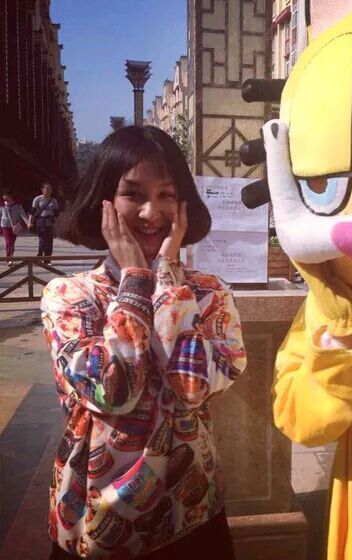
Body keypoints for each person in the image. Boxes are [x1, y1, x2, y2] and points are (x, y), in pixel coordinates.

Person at [41, 126, 247, 559]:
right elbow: (111, 392)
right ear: (104, 201)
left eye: (166, 194)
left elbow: (192, 387)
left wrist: (167, 278)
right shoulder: (70, 295)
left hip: (191, 510)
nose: (152, 212)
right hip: (95, 518)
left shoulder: (210, 294)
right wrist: (136, 282)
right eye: (132, 194)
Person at [30, 182, 59, 260]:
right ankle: (39, 256)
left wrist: (57, 226)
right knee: (42, 240)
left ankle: (47, 259)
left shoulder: (54, 201)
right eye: (47, 189)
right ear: (42, 190)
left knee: (49, 241)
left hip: (50, 222)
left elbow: (56, 214)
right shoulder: (37, 199)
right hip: (41, 222)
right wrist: (30, 222)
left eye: (50, 189)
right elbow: (32, 212)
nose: (49, 190)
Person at [0, 191, 28, 264]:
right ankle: (8, 258)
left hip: (15, 227)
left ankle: (11, 257)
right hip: (5, 226)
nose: (4, 197)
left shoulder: (17, 205)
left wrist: (27, 222)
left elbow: (23, 214)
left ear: (10, 196)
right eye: (3, 195)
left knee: (12, 242)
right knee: (8, 242)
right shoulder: (2, 205)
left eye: (6, 195)